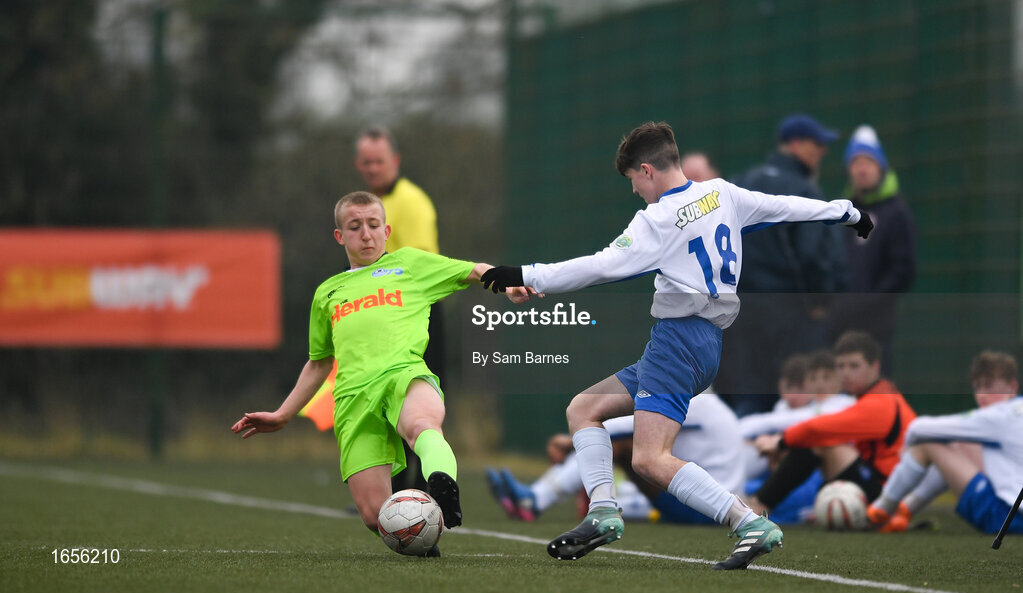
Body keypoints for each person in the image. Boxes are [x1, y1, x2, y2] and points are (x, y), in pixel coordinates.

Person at [480, 121, 872, 569]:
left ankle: (750, 523)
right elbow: (785, 206)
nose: (634, 192)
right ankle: (604, 511)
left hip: (678, 342)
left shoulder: (658, 219)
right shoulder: (723, 193)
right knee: (583, 409)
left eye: (633, 181)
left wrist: (524, 275)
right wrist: (848, 213)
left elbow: (603, 266)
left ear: (646, 170)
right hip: (702, 344)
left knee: (649, 459)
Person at [231, 191, 526, 557]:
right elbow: (319, 362)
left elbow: (474, 270)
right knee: (376, 516)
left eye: (373, 225)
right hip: (354, 398)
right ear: (340, 236)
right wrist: (282, 414)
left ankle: (444, 487)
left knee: (423, 426)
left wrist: (508, 282)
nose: (366, 234)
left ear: (386, 231)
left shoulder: (410, 265)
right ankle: (421, 539)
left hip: (404, 374)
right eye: (355, 227)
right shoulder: (327, 293)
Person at [303, 127, 443, 493]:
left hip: (408, 312)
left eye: (379, 161)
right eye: (366, 162)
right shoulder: (363, 204)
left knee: (413, 409)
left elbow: (420, 267)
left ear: (394, 161)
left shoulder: (412, 202)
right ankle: (390, 492)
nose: (373, 168)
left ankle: (420, 491)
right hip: (372, 310)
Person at [718, 113, 846, 417]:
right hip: (789, 312)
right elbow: (814, 254)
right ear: (796, 144)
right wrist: (820, 300)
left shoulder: (739, 184)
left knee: (748, 395)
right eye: (817, 143)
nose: (822, 151)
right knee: (797, 397)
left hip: (739, 309)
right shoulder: (802, 189)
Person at [487, 392, 745, 525]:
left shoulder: (695, 401)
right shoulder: (708, 403)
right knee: (624, 446)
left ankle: (535, 499)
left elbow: (620, 427)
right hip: (710, 502)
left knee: (614, 442)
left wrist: (568, 441)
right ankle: (535, 499)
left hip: (708, 509)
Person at [749, 331, 916, 517]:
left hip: (888, 496)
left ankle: (759, 504)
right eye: (841, 366)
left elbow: (817, 428)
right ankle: (767, 504)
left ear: (875, 367)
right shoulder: (875, 394)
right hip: (884, 486)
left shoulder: (880, 401)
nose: (846, 373)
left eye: (854, 366)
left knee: (820, 441)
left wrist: (780, 442)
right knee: (818, 440)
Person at [867, 351, 1023, 534]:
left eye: (989, 386)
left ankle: (879, 511)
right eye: (978, 388)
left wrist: (908, 447)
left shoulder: (1000, 416)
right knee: (962, 443)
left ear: (1012, 387)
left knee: (930, 443)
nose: (981, 395)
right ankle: (902, 513)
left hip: (1006, 517)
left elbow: (918, 428)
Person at [827, 125, 916, 374]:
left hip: (876, 331)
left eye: (868, 161)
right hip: (838, 327)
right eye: (855, 162)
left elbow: (903, 271)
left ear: (880, 166)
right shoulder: (841, 213)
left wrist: (868, 302)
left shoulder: (897, 213)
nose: (862, 168)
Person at [739, 351, 856, 524]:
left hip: (829, 480)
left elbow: (799, 421)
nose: (820, 385)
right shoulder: (802, 407)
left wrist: (735, 428)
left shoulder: (844, 404)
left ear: (839, 381)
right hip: (801, 478)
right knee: (743, 490)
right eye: (814, 379)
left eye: (826, 378)